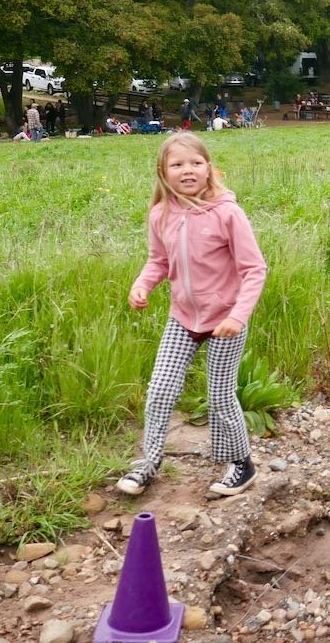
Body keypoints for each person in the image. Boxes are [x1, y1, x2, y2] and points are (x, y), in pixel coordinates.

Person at [119, 132, 267, 497]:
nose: (187, 170)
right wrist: (142, 285)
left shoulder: (228, 213)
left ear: (209, 168)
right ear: (163, 172)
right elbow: (158, 260)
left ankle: (240, 463)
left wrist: (238, 316)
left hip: (226, 321)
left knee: (220, 396)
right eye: (177, 164)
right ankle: (149, 462)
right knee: (160, 389)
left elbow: (254, 269)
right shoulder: (161, 214)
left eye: (196, 163)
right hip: (182, 319)